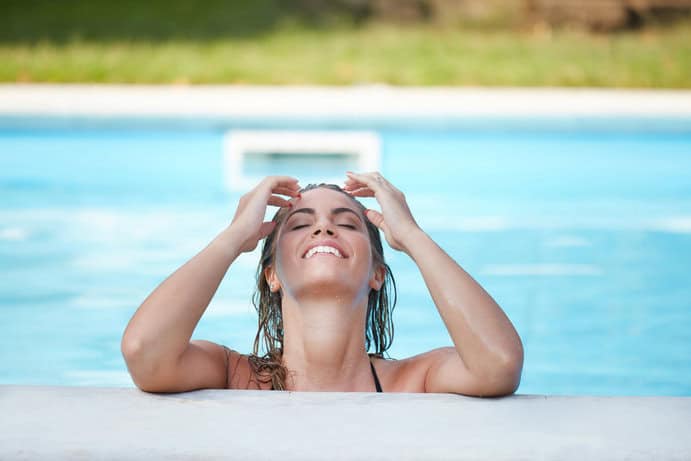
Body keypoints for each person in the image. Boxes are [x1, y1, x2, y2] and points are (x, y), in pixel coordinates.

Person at [121, 172, 523, 395]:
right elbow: (145, 353)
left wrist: (413, 237)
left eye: (347, 224)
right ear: (272, 275)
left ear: (377, 273)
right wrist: (231, 239)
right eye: (300, 224)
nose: (324, 228)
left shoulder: (410, 382)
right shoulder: (234, 376)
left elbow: (498, 364)